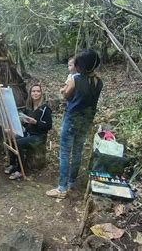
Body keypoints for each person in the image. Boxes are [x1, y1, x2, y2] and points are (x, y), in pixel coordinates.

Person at [46, 49, 103, 199]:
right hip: (86, 120)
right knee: (77, 151)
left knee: (65, 152)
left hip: (72, 119)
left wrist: (63, 90)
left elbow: (66, 95)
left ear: (81, 65)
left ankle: (62, 188)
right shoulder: (98, 81)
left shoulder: (75, 78)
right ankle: (71, 182)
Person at [5, 84, 53, 180]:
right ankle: (13, 165)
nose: (35, 93)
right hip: (29, 134)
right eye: (33, 91)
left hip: (39, 137)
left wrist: (35, 122)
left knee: (19, 143)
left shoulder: (45, 108)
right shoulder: (29, 108)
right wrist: (23, 122)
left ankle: (20, 170)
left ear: (41, 93)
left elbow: (48, 126)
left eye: (38, 91)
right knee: (11, 139)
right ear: (30, 93)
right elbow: (27, 125)